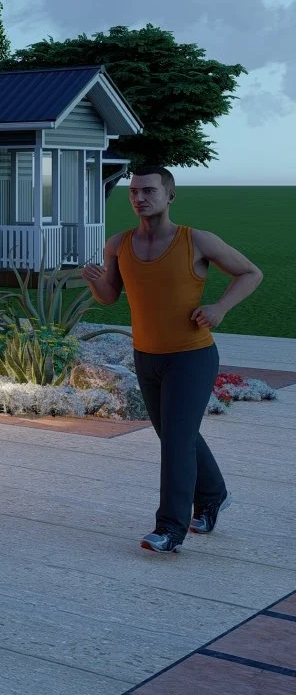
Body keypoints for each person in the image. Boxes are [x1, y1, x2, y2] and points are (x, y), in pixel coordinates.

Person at [81, 166, 263, 554]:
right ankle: (214, 494)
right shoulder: (118, 244)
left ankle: (170, 529)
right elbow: (110, 297)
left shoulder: (196, 241)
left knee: (176, 444)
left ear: (170, 195)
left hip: (192, 355)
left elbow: (250, 273)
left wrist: (220, 308)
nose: (139, 198)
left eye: (148, 190)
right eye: (133, 192)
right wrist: (95, 280)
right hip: (147, 355)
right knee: (175, 436)